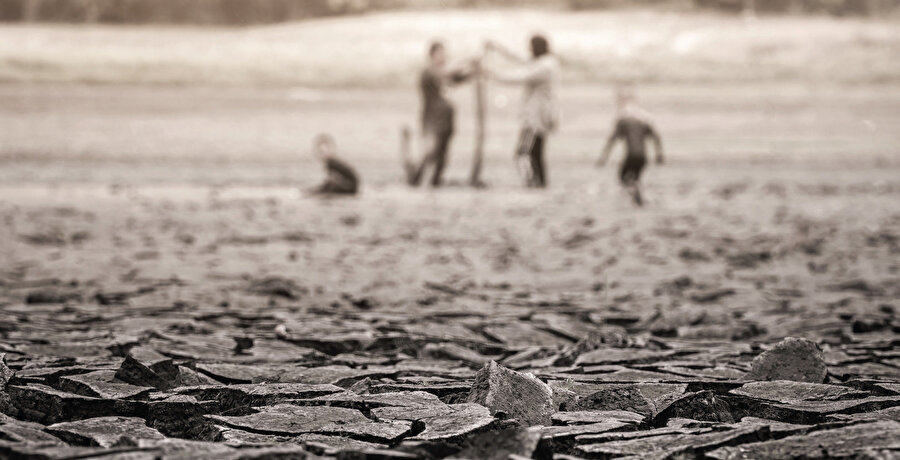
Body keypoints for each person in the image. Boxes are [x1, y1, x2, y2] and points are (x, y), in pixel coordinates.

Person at [485, 34, 560, 188]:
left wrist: (492, 74)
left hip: (535, 118)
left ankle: (532, 183)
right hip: (541, 116)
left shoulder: (544, 67)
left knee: (523, 153)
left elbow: (520, 76)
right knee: (536, 153)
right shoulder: (547, 62)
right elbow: (518, 58)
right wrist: (498, 47)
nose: (529, 50)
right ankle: (540, 183)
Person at [404, 41, 476, 187]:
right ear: (432, 55)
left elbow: (457, 78)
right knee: (429, 150)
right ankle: (415, 179)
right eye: (440, 54)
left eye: (444, 54)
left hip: (446, 120)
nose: (443, 57)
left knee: (442, 155)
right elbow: (445, 73)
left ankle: (435, 181)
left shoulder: (443, 73)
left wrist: (474, 71)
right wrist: (468, 60)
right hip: (432, 119)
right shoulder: (428, 72)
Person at [596, 86, 664, 206]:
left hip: (631, 155)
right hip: (643, 157)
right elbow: (656, 137)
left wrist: (603, 157)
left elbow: (612, 140)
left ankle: (638, 197)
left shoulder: (623, 118)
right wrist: (659, 154)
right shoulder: (644, 117)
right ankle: (639, 200)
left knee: (623, 178)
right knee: (635, 178)